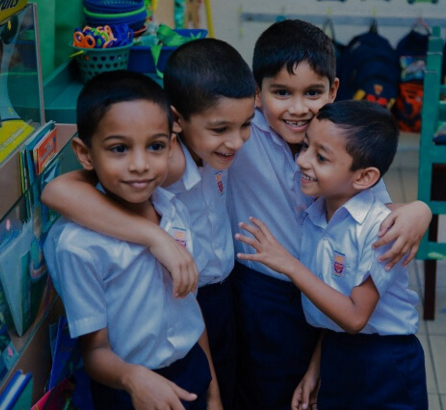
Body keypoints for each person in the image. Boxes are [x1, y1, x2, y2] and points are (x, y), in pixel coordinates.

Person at [226, 19, 432, 410]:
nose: (298, 108)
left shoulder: (344, 139)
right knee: (270, 391)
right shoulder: (241, 133)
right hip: (266, 296)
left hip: (333, 298)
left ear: (334, 89)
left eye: (314, 92)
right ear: (257, 92)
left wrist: (418, 210)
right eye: (282, 93)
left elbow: (373, 207)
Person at [41, 39, 256, 410]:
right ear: (177, 124)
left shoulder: (170, 201)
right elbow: (57, 191)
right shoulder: (165, 168)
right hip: (151, 345)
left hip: (207, 306)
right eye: (221, 129)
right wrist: (154, 237)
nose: (236, 141)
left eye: (245, 126)